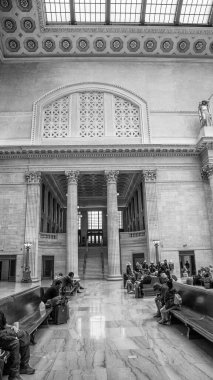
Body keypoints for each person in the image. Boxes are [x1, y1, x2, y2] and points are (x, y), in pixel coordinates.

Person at [0, 311, 35, 380]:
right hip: (1, 336)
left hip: (3, 333)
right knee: (15, 342)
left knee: (24, 335)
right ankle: (14, 375)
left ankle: (24, 366)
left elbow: (4, 325)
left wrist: (12, 327)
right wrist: (9, 336)